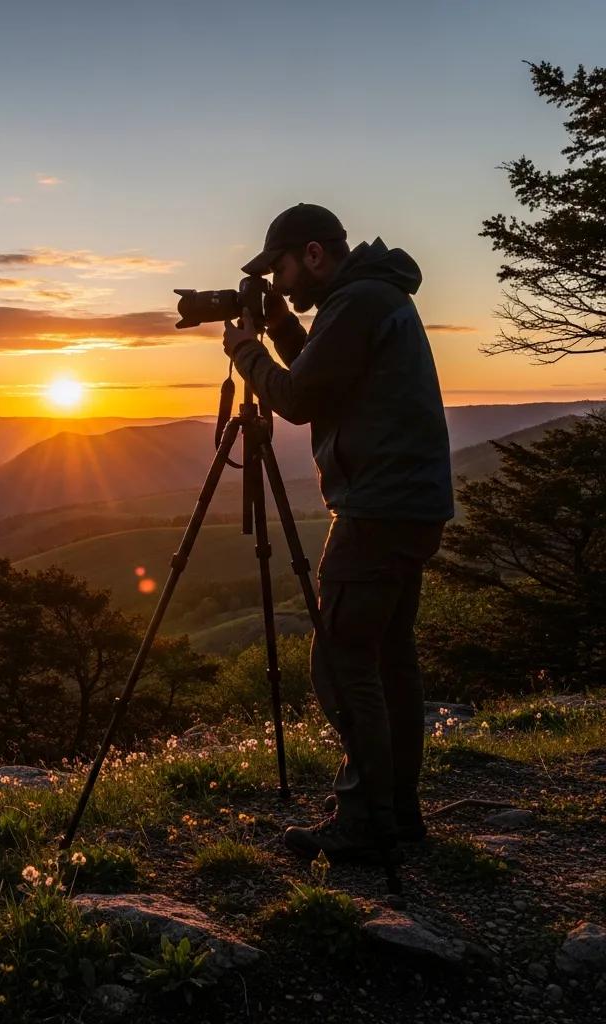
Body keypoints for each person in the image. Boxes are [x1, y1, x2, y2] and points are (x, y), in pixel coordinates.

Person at [221, 203, 454, 862]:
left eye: (283, 267)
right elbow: (326, 381)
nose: (282, 282)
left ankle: (364, 819)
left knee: (340, 662)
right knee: (388, 661)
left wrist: (246, 353)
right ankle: (397, 812)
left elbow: (297, 401)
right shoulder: (368, 299)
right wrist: (281, 330)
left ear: (315, 253)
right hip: (411, 504)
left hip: (377, 509)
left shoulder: (357, 304)